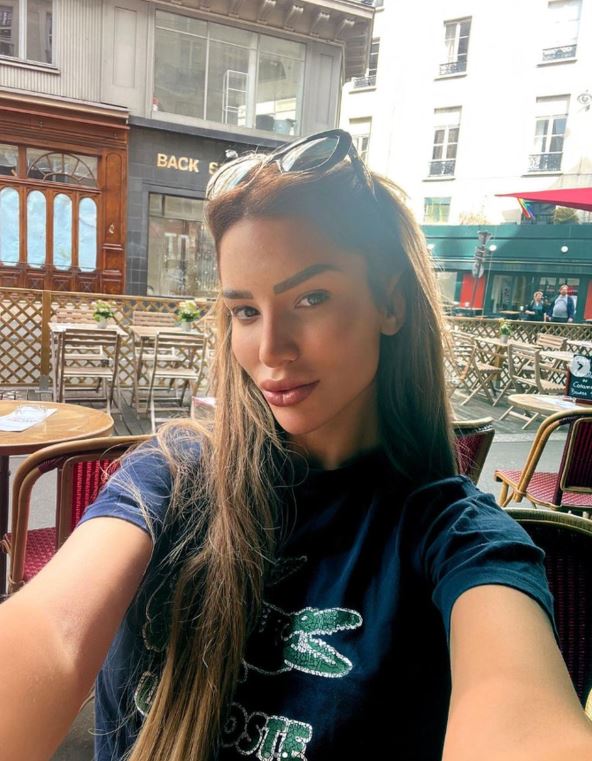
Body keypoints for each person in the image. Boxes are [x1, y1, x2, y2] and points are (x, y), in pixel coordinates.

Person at [2, 129, 592, 761]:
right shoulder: (171, 475)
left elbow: (519, 714)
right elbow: (53, 633)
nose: (271, 349)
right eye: (245, 311)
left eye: (311, 297)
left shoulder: (458, 540)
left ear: (390, 303)